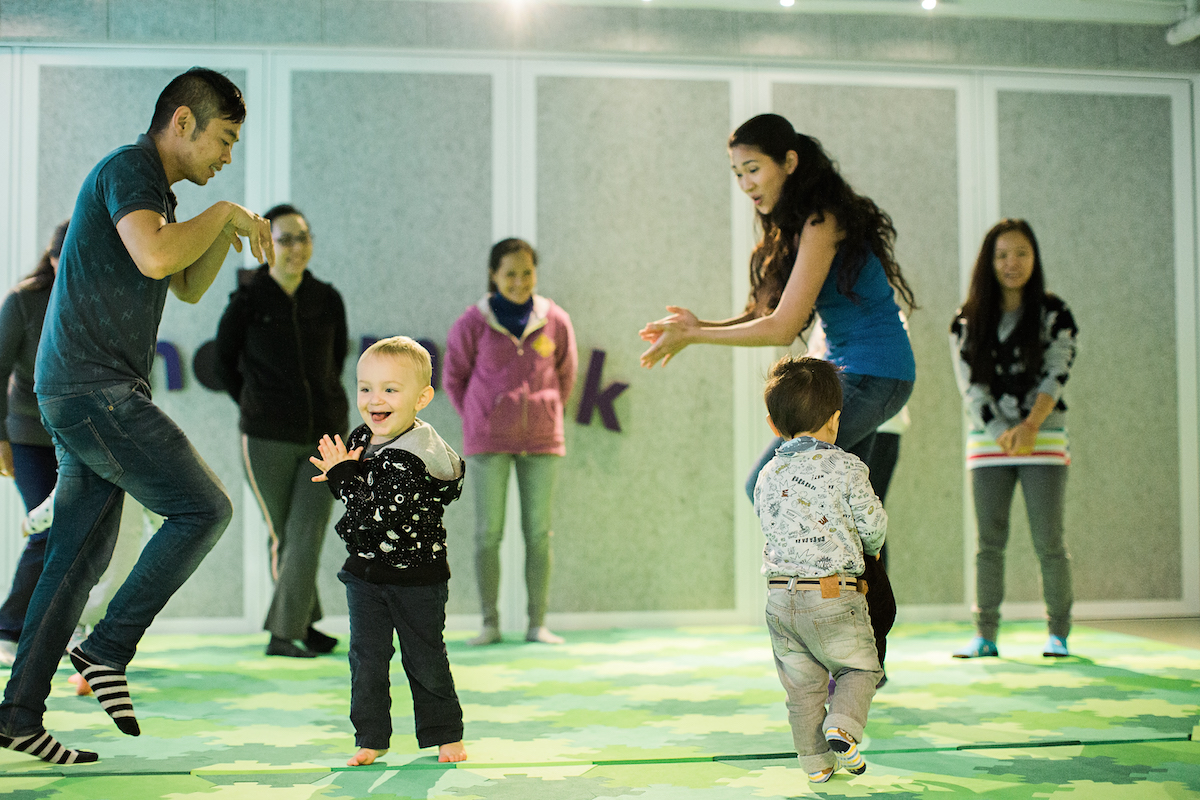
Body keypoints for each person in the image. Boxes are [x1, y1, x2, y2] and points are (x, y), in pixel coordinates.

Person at [0, 67, 273, 765]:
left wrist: (216, 231)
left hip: (78, 390)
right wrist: (227, 214)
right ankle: (105, 650)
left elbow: (181, 284)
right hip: (96, 390)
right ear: (183, 122)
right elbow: (155, 256)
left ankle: (17, 716)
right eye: (226, 139)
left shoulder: (160, 191)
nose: (227, 157)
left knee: (76, 559)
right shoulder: (132, 167)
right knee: (203, 508)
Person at [639, 113, 913, 665]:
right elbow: (769, 317)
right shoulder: (797, 228)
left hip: (875, 375)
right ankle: (860, 651)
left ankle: (835, 624)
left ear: (789, 162)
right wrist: (699, 328)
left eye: (754, 169)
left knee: (770, 480)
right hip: (846, 375)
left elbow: (784, 330)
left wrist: (695, 336)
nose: (747, 184)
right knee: (850, 521)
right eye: (737, 173)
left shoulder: (823, 221)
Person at [310, 336, 468, 767]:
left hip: (418, 578)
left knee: (426, 659)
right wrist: (343, 467)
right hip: (366, 575)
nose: (374, 399)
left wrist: (345, 478)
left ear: (422, 398)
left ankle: (444, 734)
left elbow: (375, 511)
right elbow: (359, 473)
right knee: (367, 660)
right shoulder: (368, 434)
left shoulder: (412, 457)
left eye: (390, 390)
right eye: (365, 388)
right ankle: (371, 737)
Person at [215, 203, 348, 658]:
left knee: (306, 531)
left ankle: (284, 633)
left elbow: (337, 360)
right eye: (285, 238)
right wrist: (255, 404)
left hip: (326, 436)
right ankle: (300, 628)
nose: (296, 247)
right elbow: (222, 363)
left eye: (303, 237)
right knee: (288, 535)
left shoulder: (327, 298)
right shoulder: (247, 302)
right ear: (266, 244)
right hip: (266, 438)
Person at [754, 355, 885, 784]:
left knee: (802, 689)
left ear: (774, 426)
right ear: (835, 420)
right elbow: (872, 522)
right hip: (833, 594)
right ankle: (843, 725)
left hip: (779, 599)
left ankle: (815, 764)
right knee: (861, 666)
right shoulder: (846, 466)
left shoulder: (767, 475)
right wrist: (873, 549)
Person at [950, 218, 1077, 659]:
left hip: (1045, 438)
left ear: (1035, 258)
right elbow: (971, 387)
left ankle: (1058, 633)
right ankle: (985, 634)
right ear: (989, 261)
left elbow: (1057, 370)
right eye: (1002, 254)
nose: (1012, 263)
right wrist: (1003, 431)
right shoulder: (966, 321)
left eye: (1021, 253)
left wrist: (1030, 427)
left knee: (1049, 541)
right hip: (988, 445)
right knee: (989, 542)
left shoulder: (1055, 312)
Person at [443, 238, 578, 646]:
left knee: (539, 533)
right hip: (488, 442)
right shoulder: (472, 322)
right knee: (489, 533)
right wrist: (478, 417)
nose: (519, 282)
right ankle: (490, 623)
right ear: (493, 275)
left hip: (542, 440)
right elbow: (453, 377)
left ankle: (537, 623)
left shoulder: (555, 320)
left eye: (527, 273)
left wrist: (547, 409)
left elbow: (566, 374)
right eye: (510, 274)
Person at [0, 221, 68, 667]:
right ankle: (9, 626)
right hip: (27, 434)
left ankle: (54, 631)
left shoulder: (97, 298)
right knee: (48, 528)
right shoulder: (24, 301)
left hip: (79, 438)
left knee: (73, 535)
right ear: (53, 257)